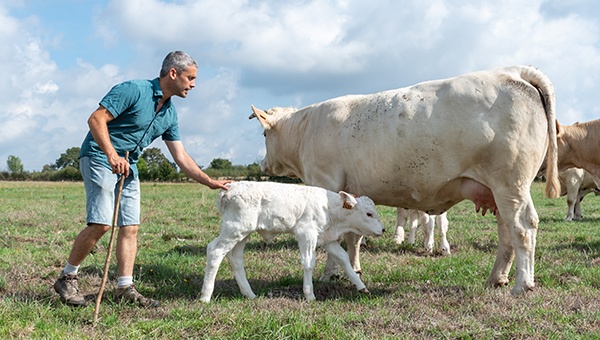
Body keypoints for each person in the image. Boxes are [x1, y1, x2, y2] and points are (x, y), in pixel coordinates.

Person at [54, 51, 233, 307]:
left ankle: (124, 288)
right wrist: (112, 155)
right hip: (99, 156)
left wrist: (209, 181)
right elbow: (96, 119)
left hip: (129, 165)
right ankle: (67, 278)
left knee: (131, 227)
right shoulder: (133, 90)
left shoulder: (169, 113)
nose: (193, 84)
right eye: (190, 78)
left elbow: (180, 156)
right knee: (102, 224)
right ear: (173, 73)